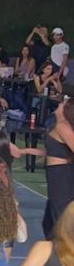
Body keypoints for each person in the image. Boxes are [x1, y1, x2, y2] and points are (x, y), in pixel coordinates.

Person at [42, 99, 74, 239]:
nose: (59, 104)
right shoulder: (60, 125)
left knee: (59, 217)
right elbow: (54, 151)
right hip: (56, 174)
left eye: (63, 103)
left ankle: (64, 247)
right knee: (49, 221)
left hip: (61, 175)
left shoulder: (63, 126)